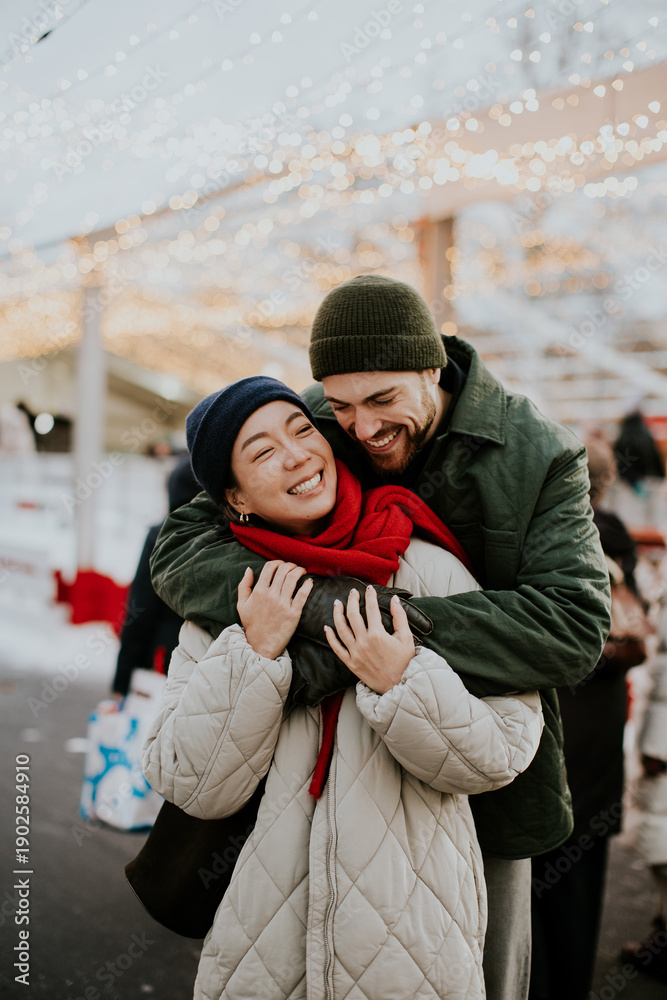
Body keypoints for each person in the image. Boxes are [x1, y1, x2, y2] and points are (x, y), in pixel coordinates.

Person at [149, 274, 611, 1000]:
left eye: (381, 402)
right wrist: (324, 607)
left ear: (433, 369)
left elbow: (570, 628)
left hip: (478, 750)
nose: (358, 428)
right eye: (339, 406)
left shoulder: (536, 451)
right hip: (314, 773)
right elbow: (179, 545)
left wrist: (386, 627)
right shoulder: (310, 420)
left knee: (473, 969)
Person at [529, 431, 647, 999]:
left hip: (556, 731)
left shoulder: (560, 532)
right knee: (580, 887)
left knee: (534, 891)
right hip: (599, 734)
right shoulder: (619, 538)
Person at [111, 456, 200, 698]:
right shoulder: (228, 539)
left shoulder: (160, 537)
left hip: (166, 659)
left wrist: (122, 681)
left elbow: (140, 609)